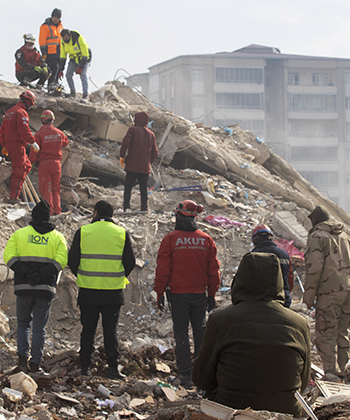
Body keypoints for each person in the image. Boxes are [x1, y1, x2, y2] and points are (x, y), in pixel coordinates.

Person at [192, 253, 311, 416]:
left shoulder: (220, 321)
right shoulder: (299, 324)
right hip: (285, 413)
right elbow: (302, 383)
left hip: (232, 412)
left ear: (240, 280)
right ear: (278, 282)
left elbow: (201, 379)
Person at [153, 200, 221, 387]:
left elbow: (163, 269)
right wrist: (212, 294)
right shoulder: (206, 239)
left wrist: (159, 292)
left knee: (181, 332)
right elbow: (213, 270)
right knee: (200, 332)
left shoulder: (171, 239)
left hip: (178, 295)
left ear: (179, 216)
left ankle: (184, 374)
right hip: (199, 294)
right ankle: (200, 374)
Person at [67, 200, 135, 379]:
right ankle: (112, 368)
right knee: (110, 330)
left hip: (88, 290)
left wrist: (82, 275)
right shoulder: (121, 233)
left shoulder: (83, 232)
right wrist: (117, 275)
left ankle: (85, 368)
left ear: (95, 213)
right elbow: (130, 262)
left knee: (87, 330)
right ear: (112, 215)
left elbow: (72, 260)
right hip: (112, 292)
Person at [3, 199, 68, 374]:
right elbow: (62, 260)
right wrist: (41, 275)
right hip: (45, 288)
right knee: (40, 327)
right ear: (48, 217)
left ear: (33, 216)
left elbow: (8, 256)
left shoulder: (20, 234)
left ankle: (22, 361)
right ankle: (35, 364)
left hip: (24, 286)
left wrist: (26, 273)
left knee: (23, 324)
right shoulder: (57, 237)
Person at [302, 206, 350, 377]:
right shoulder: (344, 236)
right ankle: (343, 368)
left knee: (326, 332)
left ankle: (331, 371)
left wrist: (309, 295)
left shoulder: (317, 236)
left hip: (328, 291)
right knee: (342, 330)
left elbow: (315, 268)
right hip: (348, 290)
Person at [0, 90, 38, 204]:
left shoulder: (9, 112)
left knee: (27, 165)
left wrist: (4, 144)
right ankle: (13, 198)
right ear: (29, 102)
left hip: (10, 144)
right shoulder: (21, 112)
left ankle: (11, 181)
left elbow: (3, 130)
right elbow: (24, 130)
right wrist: (32, 141)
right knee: (19, 171)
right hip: (17, 144)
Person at [30, 110, 69, 215]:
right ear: (52, 120)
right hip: (57, 164)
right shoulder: (59, 133)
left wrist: (30, 162)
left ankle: (49, 212)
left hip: (45, 164)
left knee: (46, 189)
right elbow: (65, 143)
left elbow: (35, 150)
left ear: (42, 120)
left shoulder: (39, 134)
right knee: (56, 189)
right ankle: (57, 210)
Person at [119, 112, 158, 212]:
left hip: (131, 165)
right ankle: (144, 208)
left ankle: (126, 207)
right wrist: (149, 162)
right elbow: (155, 152)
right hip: (144, 167)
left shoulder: (132, 130)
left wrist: (122, 156)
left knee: (128, 187)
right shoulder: (151, 134)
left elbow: (125, 143)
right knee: (143, 189)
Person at [250, 224, 294, 307]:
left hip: (259, 303)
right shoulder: (284, 255)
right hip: (283, 301)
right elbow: (289, 281)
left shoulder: (251, 256)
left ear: (254, 240)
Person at [59, 29, 91, 99]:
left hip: (84, 59)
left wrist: (81, 67)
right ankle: (72, 92)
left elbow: (85, 54)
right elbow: (63, 55)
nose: (65, 40)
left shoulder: (79, 39)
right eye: (64, 38)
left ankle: (85, 94)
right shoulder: (63, 42)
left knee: (83, 74)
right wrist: (61, 69)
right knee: (68, 75)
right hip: (73, 59)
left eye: (66, 38)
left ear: (70, 36)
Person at [39, 9, 63, 86]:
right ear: (52, 16)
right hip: (50, 53)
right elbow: (42, 40)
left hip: (59, 53)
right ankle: (50, 85)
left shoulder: (60, 27)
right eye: (55, 17)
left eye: (57, 17)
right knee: (53, 69)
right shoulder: (45, 26)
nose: (56, 19)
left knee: (58, 69)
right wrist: (44, 53)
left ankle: (54, 84)